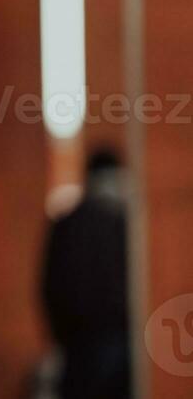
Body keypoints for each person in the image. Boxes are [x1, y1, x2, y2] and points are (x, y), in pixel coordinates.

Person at [41, 147, 131, 399]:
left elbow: (49, 287)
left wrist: (61, 338)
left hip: (77, 345)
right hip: (117, 341)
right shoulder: (126, 223)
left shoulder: (67, 224)